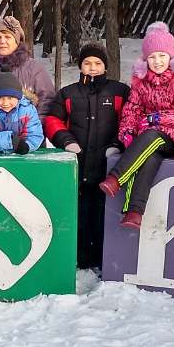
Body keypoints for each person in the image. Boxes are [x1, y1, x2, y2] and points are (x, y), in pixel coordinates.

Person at [98, 22, 174, 231]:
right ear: (146, 60)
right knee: (149, 155)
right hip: (149, 139)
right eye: (152, 57)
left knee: (153, 135)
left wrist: (158, 118)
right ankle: (134, 211)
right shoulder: (142, 82)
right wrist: (127, 132)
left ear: (171, 57)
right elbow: (132, 110)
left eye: (162, 56)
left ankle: (116, 178)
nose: (157, 61)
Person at [43, 43, 131, 270]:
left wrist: (117, 145)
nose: (92, 68)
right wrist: (66, 141)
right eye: (87, 63)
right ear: (80, 65)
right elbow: (52, 121)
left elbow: (130, 122)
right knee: (80, 213)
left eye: (98, 63)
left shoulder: (120, 91)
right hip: (78, 166)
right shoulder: (68, 93)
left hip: (109, 167)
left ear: (105, 66)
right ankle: (80, 259)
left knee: (104, 214)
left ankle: (104, 258)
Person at [0, 15, 57, 115]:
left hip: (26, 128)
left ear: (17, 41)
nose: (2, 41)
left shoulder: (34, 68)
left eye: (7, 37)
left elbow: (47, 102)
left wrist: (33, 127)